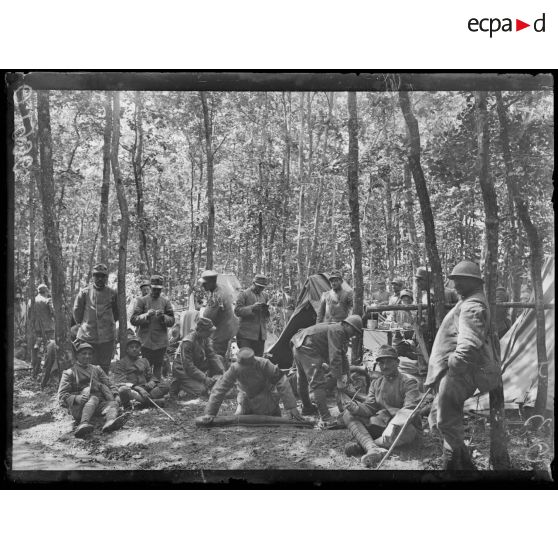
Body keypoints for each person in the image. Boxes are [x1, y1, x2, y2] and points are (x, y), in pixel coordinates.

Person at [426, 261, 501, 470]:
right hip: (456, 374)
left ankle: (450, 469)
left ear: (473, 282)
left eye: (460, 280)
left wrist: (451, 364)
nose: (455, 284)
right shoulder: (470, 301)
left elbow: (468, 348)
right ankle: (466, 468)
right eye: (454, 280)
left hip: (458, 374)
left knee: (447, 424)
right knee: (447, 423)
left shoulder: (472, 306)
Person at [342, 344, 422, 467]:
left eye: (389, 361)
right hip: (381, 425)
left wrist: (394, 424)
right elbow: (370, 407)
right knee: (348, 415)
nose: (385, 366)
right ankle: (372, 448)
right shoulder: (376, 383)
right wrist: (356, 408)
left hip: (403, 427)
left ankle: (366, 446)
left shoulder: (408, 382)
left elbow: (410, 409)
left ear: (397, 362)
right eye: (381, 363)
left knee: (407, 432)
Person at [291, 314, 363, 426]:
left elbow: (342, 355)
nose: (353, 335)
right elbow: (335, 356)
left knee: (302, 379)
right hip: (307, 347)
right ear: (348, 325)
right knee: (317, 382)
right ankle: (325, 418)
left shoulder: (338, 329)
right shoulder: (338, 331)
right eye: (354, 331)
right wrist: (339, 378)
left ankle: (307, 408)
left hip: (299, 345)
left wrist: (347, 374)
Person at [200, 347, 303, 422]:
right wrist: (210, 412)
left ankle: (272, 412)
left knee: (266, 414)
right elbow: (220, 388)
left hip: (266, 396)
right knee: (240, 417)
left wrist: (292, 407)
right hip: (245, 396)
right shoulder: (234, 368)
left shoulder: (264, 364)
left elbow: (282, 382)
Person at [58, 342, 129, 438]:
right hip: (79, 407)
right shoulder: (69, 373)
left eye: (90, 354)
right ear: (77, 355)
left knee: (113, 404)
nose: (87, 356)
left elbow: (109, 383)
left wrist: (116, 395)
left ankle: (110, 423)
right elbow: (62, 395)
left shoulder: (96, 369)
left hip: (99, 405)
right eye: (84, 353)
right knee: (93, 399)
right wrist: (77, 398)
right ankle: (83, 424)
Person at [73, 263, 118, 373]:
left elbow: (116, 313)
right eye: (97, 276)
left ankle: (103, 387)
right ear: (93, 277)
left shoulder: (112, 293)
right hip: (88, 335)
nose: (100, 279)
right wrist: (84, 324)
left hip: (107, 337)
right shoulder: (84, 292)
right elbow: (77, 311)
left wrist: (108, 323)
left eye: (103, 276)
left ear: (106, 278)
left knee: (104, 366)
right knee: (88, 365)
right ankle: (88, 387)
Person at [131, 275, 175, 379]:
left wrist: (163, 317)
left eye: (159, 289)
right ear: (151, 287)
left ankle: (157, 387)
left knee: (158, 367)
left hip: (161, 342)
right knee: (145, 367)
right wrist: (146, 315)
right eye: (154, 289)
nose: (156, 291)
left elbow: (172, 320)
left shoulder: (165, 302)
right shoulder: (142, 301)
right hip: (146, 342)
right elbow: (133, 320)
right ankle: (145, 388)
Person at [170, 317, 225, 399]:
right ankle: (179, 383)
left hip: (195, 366)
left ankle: (212, 382)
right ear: (200, 330)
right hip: (182, 370)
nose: (210, 334)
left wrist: (223, 372)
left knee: (219, 358)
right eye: (208, 332)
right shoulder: (188, 342)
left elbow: (212, 355)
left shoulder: (204, 338)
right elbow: (188, 367)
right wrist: (204, 378)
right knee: (202, 391)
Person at [110, 335, 169, 408]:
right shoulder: (121, 363)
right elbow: (119, 382)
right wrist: (138, 388)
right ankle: (152, 402)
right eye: (131, 347)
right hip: (132, 390)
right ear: (127, 349)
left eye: (137, 347)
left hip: (146, 389)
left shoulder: (144, 361)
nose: (134, 349)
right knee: (123, 390)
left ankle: (140, 403)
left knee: (165, 386)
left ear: (140, 349)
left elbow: (150, 376)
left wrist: (152, 381)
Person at [199, 270, 237, 360]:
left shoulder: (216, 296)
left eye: (205, 284)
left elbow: (207, 317)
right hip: (227, 329)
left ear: (212, 283)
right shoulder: (221, 288)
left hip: (220, 333)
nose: (202, 286)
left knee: (215, 358)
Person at [235, 274, 270, 356]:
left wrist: (266, 311)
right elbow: (237, 311)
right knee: (246, 361)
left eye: (263, 287)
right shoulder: (244, 294)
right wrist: (252, 307)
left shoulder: (265, 295)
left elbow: (267, 317)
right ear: (253, 283)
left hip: (260, 336)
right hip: (246, 336)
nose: (261, 289)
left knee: (258, 361)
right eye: (259, 286)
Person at [32, 284, 56, 376]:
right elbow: (53, 313)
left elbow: (30, 315)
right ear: (46, 291)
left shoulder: (32, 300)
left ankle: (35, 371)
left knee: (38, 349)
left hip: (37, 329)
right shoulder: (48, 300)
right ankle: (46, 373)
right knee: (49, 350)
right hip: (49, 329)